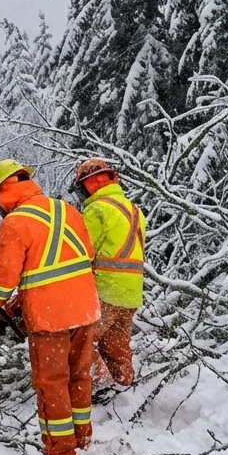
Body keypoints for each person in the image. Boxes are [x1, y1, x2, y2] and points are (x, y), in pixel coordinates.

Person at [0, 159, 101, 455]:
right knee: (78, 376)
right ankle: (82, 439)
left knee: (52, 382)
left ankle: (60, 452)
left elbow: (5, 276)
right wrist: (21, 302)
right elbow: (80, 257)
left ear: (0, 193)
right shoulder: (67, 210)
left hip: (50, 319)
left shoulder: (15, 222)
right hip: (85, 309)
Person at [71, 158, 146, 388]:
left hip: (106, 289)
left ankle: (99, 384)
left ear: (90, 184)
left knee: (78, 343)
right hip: (132, 292)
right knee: (116, 346)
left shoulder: (97, 209)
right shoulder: (134, 210)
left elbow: (83, 251)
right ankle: (123, 384)